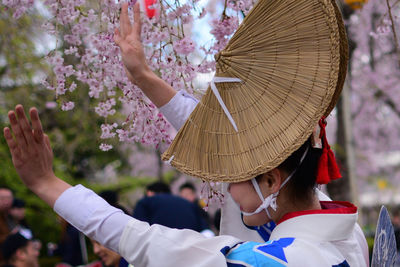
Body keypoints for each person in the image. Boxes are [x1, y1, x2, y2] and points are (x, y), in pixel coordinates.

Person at [3, 1, 369, 266]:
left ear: (272, 180)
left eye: (231, 177)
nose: (222, 183)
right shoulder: (346, 232)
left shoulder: (267, 260)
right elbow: (220, 137)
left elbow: (139, 239)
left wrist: (46, 183)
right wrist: (143, 77)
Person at [133, 182, 211, 235]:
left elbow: (138, 229)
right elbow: (206, 230)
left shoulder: (146, 202)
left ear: (150, 193)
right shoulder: (190, 205)